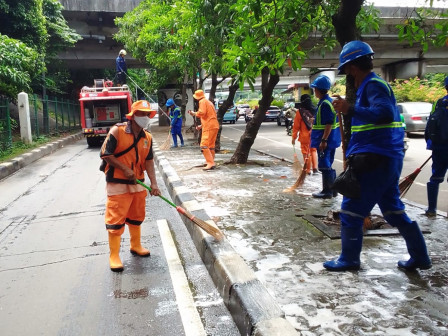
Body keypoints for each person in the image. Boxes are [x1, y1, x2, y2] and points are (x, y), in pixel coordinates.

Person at [328, 40, 431, 272]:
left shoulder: (373, 85)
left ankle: (349, 259)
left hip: (375, 160)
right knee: (394, 211)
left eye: (347, 71)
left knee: (351, 211)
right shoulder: (370, 86)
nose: (347, 76)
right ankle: (420, 256)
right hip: (385, 159)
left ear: (353, 68)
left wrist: (349, 109)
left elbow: (383, 114)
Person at [100, 100, 161, 272]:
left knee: (136, 216)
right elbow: (105, 154)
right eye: (141, 114)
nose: (145, 117)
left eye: (147, 114)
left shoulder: (147, 137)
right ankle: (114, 255)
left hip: (138, 183)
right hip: (118, 183)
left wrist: (154, 184)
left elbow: (149, 161)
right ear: (133, 116)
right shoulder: (117, 131)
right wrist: (125, 169)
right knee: (116, 220)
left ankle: (136, 245)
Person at [310, 75, 341, 198]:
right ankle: (333, 190)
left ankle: (327, 191)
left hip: (325, 140)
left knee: (324, 164)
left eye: (315, 89)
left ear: (318, 89)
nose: (314, 91)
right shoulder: (328, 102)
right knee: (328, 163)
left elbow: (328, 124)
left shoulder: (325, 104)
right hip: (332, 139)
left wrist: (323, 140)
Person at [424, 76, 448, 218]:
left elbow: (429, 125)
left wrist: (431, 144)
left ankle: (431, 209)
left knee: (435, 178)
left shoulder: (439, 103)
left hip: (439, 147)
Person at [187, 90, 219, 171]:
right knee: (210, 145)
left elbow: (202, 113)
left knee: (203, 145)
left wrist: (193, 113)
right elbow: (210, 115)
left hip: (209, 126)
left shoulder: (202, 102)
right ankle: (211, 161)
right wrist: (201, 126)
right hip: (214, 125)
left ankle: (210, 162)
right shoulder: (209, 102)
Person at [291, 94, 318, 175]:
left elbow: (296, 127)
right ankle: (315, 168)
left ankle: (308, 170)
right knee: (313, 150)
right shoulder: (315, 110)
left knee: (306, 152)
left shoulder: (300, 112)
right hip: (314, 134)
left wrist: (294, 137)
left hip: (305, 136)